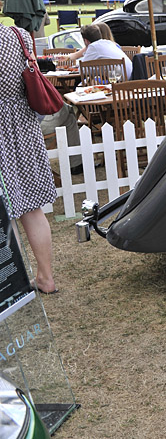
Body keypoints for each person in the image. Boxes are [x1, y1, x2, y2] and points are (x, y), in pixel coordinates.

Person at [0, 25, 58, 294]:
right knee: (31, 208)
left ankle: (11, 287)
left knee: (4, 212)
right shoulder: (18, 34)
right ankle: (45, 278)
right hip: (23, 126)